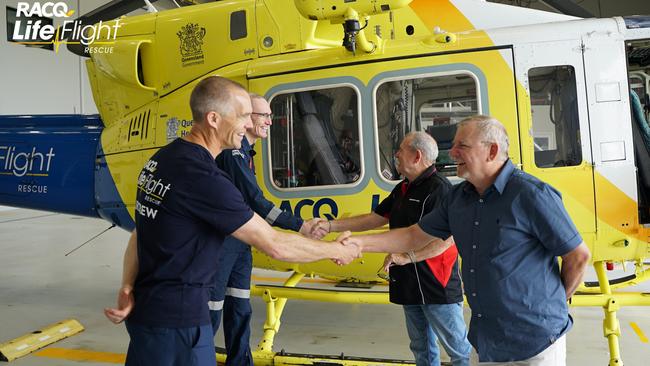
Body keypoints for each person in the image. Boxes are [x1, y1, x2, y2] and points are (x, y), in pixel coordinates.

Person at [103, 76, 359, 366]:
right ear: (213, 118)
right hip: (179, 324)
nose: (247, 125)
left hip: (147, 314)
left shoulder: (162, 160)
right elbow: (274, 244)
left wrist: (127, 285)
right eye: (242, 116)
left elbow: (142, 231)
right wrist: (337, 250)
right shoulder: (204, 179)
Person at [339, 116, 591, 365]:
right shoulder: (458, 198)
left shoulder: (531, 194)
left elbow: (578, 255)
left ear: (492, 151)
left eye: (462, 146)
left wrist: (551, 304)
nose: (452, 152)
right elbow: (412, 235)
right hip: (486, 341)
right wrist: (360, 244)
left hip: (537, 343)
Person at [315, 131, 471, 366]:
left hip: (436, 285)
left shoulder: (440, 190)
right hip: (408, 280)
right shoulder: (403, 189)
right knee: (421, 348)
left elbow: (446, 240)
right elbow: (374, 218)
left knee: (458, 349)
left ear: (417, 156)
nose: (396, 154)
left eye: (401, 149)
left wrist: (409, 256)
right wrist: (330, 225)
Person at [210, 93, 325, 365]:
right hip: (223, 244)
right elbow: (256, 201)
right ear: (247, 118)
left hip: (240, 243)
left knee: (239, 307)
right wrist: (300, 226)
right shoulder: (233, 155)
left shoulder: (245, 154)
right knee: (212, 310)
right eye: (264, 116)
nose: (270, 122)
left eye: (270, 116)